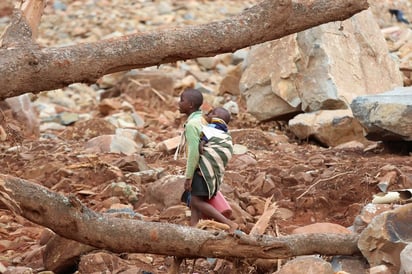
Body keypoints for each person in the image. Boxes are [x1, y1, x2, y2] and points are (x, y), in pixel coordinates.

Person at [177, 88, 238, 232]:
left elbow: (193, 153)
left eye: (182, 100)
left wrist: (188, 177)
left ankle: (228, 223)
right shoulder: (204, 121)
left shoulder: (193, 125)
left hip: (201, 170)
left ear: (190, 105)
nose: (179, 103)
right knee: (194, 205)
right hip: (211, 171)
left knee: (196, 202)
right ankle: (194, 231)